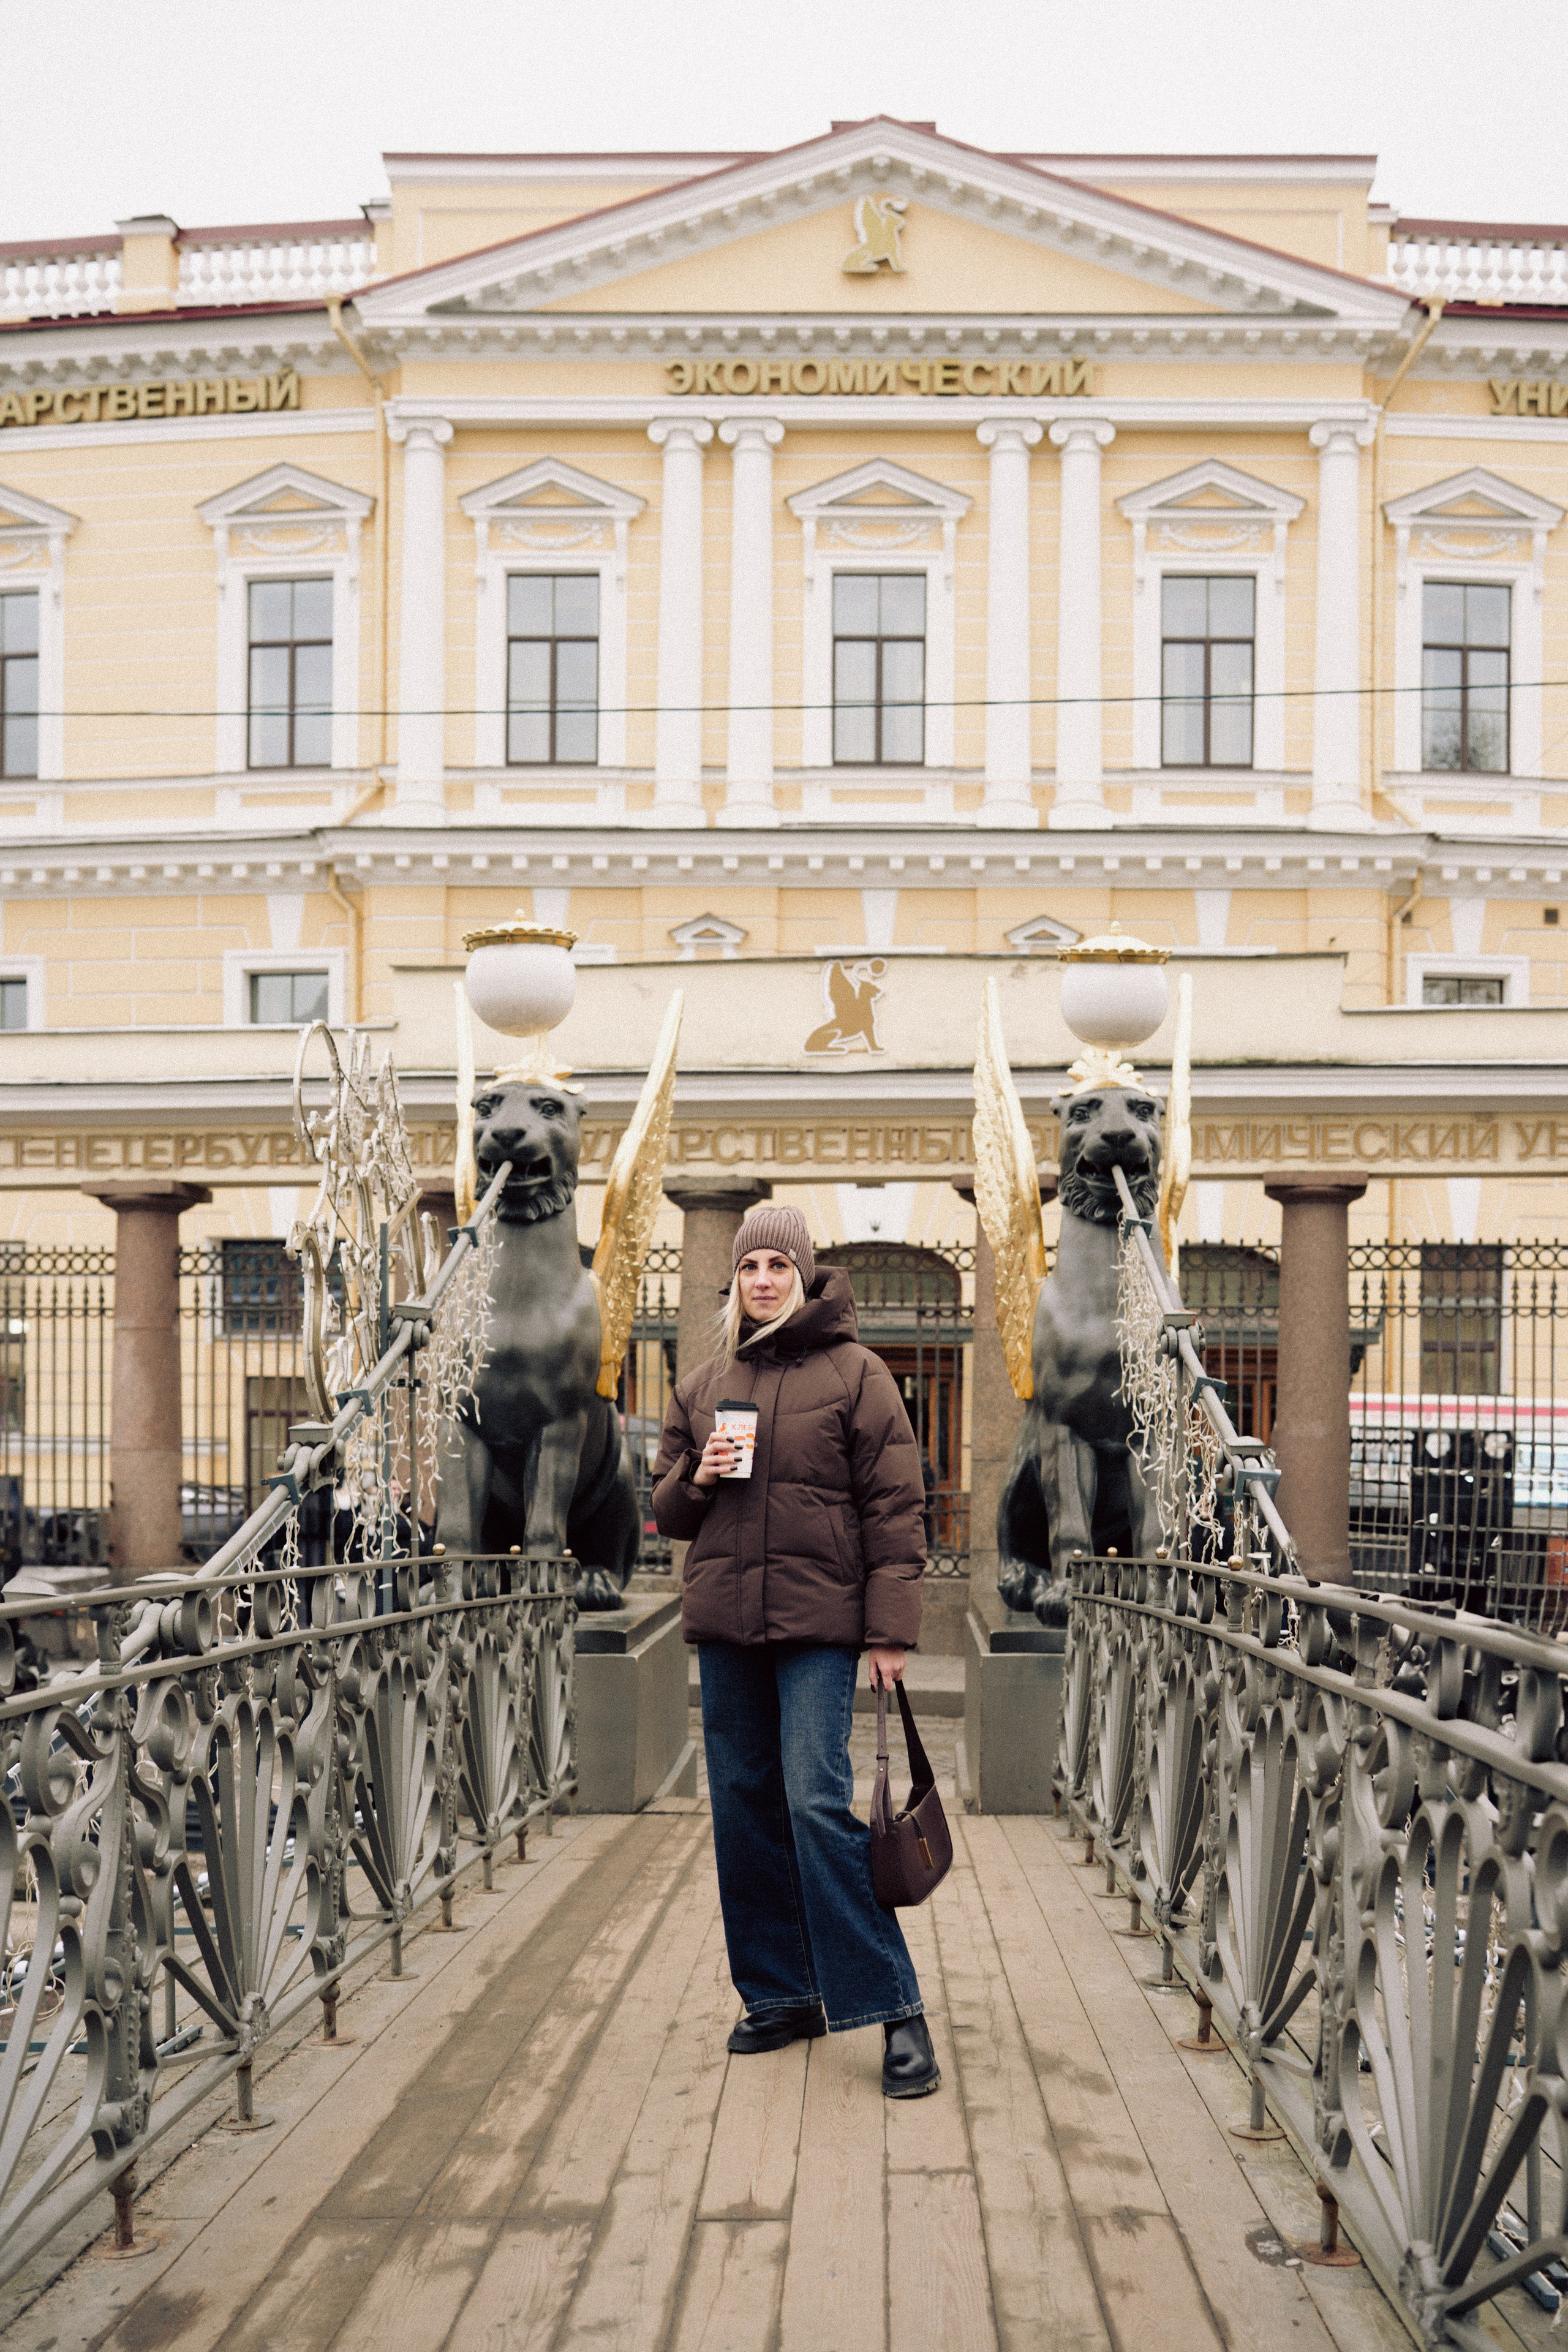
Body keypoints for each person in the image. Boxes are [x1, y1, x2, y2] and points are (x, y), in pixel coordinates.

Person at [650, 1204, 940, 2098]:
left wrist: (890, 1628)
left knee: (815, 1803)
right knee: (741, 1807)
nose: (764, 1280)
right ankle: (782, 1995)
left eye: (779, 1264)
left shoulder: (858, 1375)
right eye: (749, 1268)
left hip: (821, 1625)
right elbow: (663, 1515)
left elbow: (896, 1506)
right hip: (728, 1624)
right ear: (733, 1281)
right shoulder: (702, 1386)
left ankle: (895, 2006)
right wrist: (695, 1478)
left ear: (806, 1276)